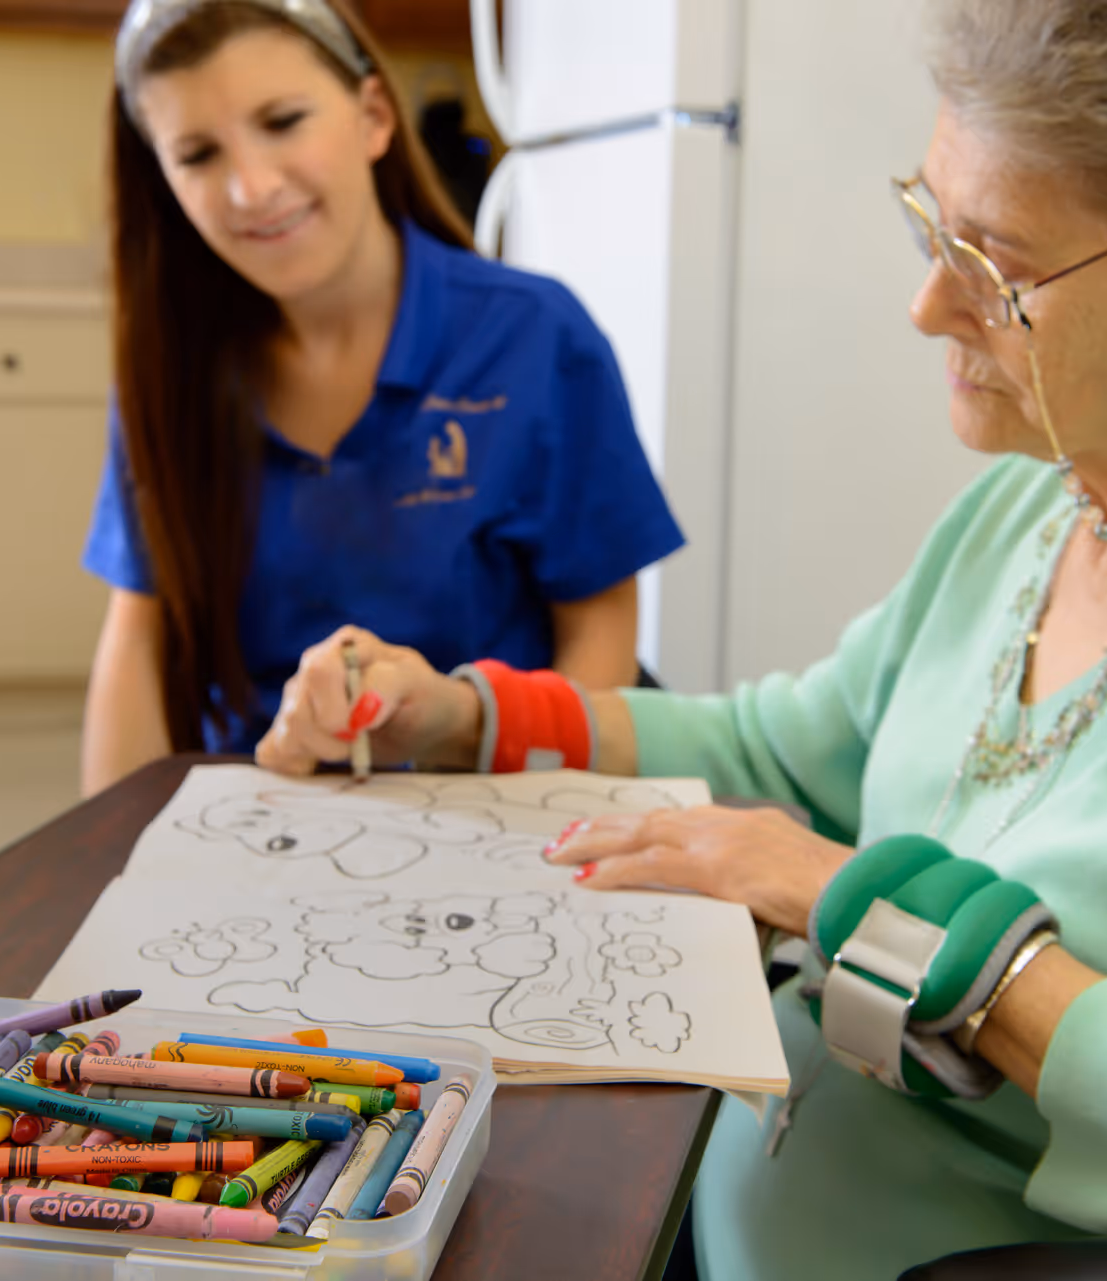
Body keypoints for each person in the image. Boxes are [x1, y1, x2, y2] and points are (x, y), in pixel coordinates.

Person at [254, 1, 1107, 1277]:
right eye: (931, 221)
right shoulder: (1040, 503)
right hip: (722, 1202)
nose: (930, 305)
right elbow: (798, 748)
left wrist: (889, 922)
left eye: (996, 265)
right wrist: (481, 719)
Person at [78, 0, 685, 795]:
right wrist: (112, 862)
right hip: (264, 811)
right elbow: (138, 640)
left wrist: (550, 819)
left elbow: (600, 631)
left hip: (490, 799)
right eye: (197, 154)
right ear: (163, 181)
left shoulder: (537, 337)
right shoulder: (173, 373)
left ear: (372, 117)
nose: (252, 187)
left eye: (284, 121)